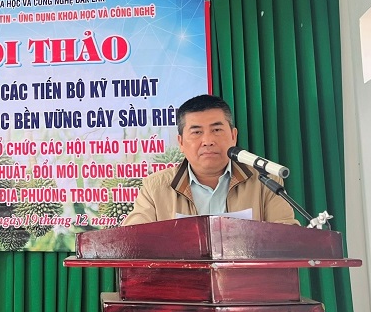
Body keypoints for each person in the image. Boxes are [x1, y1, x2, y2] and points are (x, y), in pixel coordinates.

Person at [122, 95, 298, 226]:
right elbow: (133, 243)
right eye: (197, 132)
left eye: (216, 130)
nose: (207, 141)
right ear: (181, 142)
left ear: (233, 136)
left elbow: (287, 239)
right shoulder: (155, 187)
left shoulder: (265, 182)